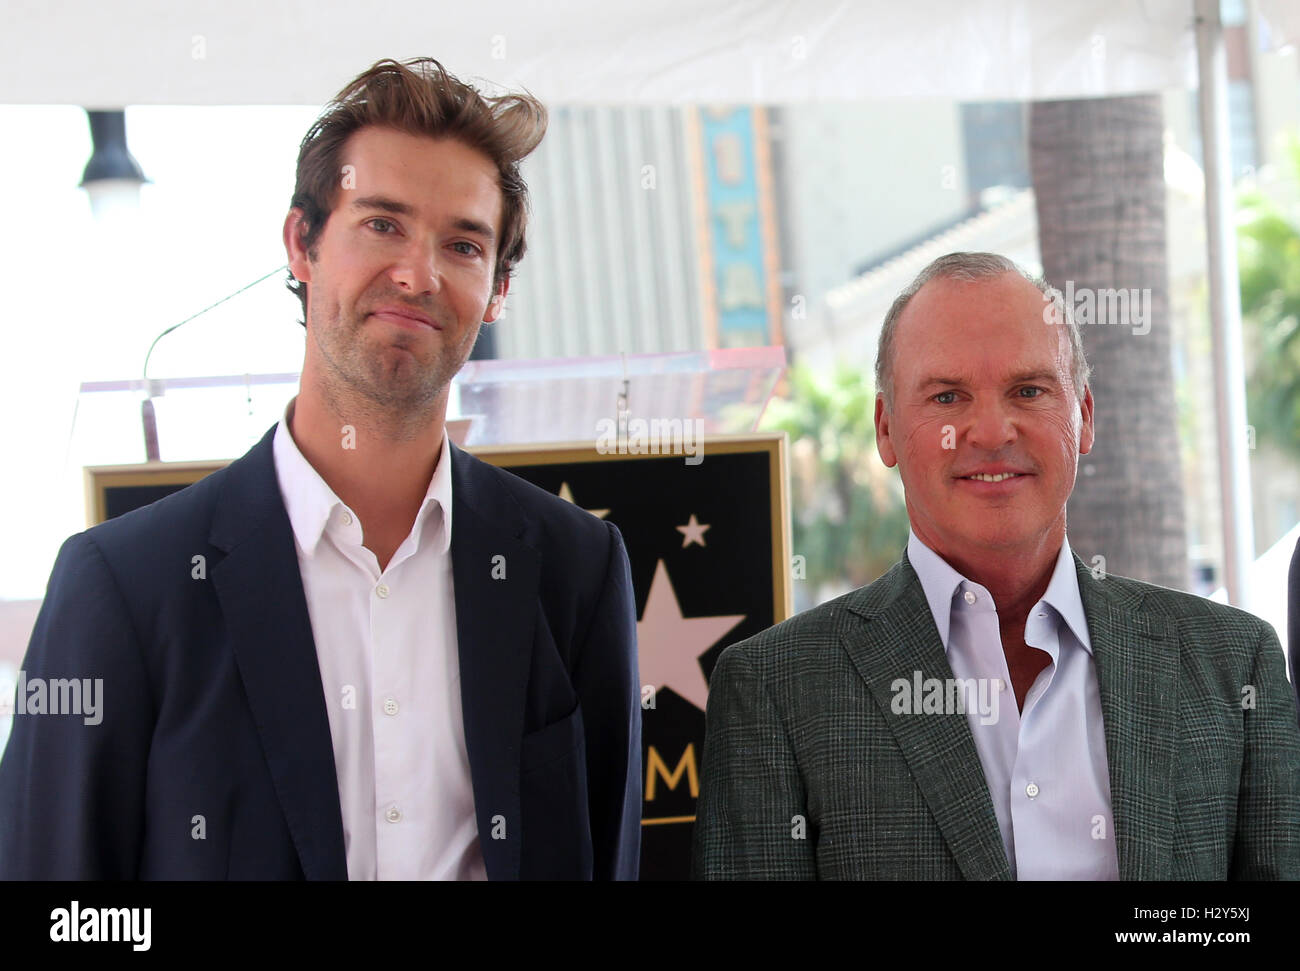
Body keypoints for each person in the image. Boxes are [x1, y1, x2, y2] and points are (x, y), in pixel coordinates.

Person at [0, 57, 641, 880]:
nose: (418, 273)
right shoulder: (123, 587)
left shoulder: (576, 571)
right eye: (382, 224)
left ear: (498, 289)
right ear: (302, 243)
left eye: (463, 243)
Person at [693, 251, 1300, 880]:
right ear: (886, 430)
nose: (989, 431)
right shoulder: (775, 691)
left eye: (1028, 390)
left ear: (1083, 416)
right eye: (948, 396)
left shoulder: (1232, 661)